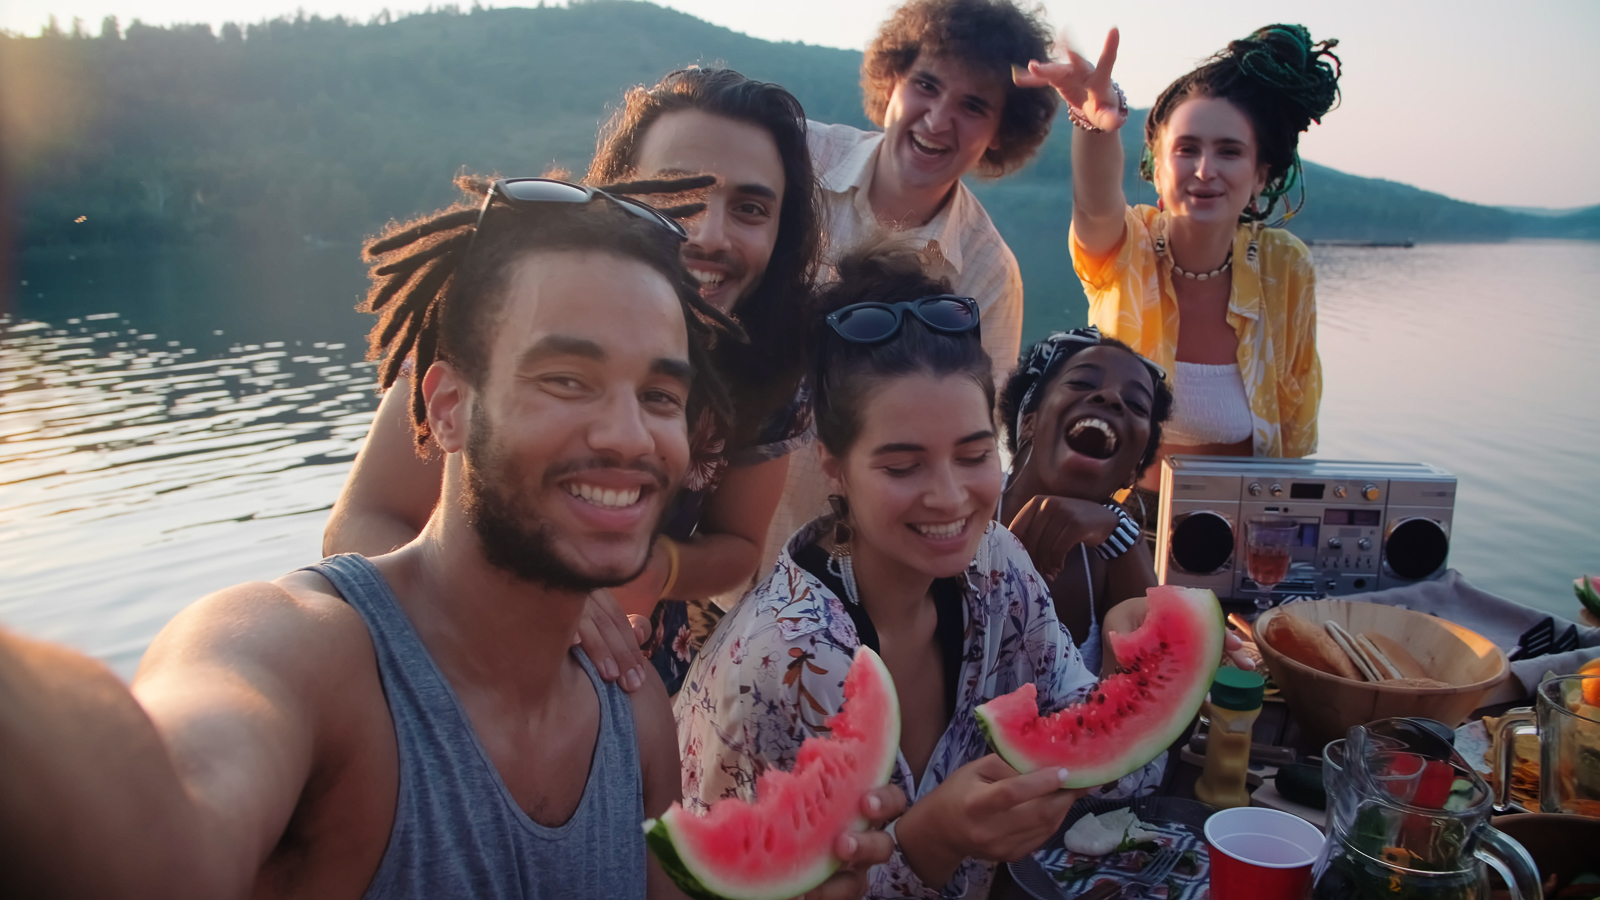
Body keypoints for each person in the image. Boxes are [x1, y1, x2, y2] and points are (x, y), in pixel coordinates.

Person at [0, 180, 901, 899]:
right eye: (566, 378)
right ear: (446, 404)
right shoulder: (301, 653)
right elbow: (170, 823)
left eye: (660, 395)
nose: (629, 435)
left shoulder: (634, 718)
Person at [675, 248, 1160, 900]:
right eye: (903, 466)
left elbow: (1124, 766)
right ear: (834, 467)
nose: (950, 498)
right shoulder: (783, 662)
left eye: (973, 454)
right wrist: (929, 841)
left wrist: (1149, 653)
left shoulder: (998, 569)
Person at [324, 68, 823, 695]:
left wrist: (654, 570)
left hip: (629, 673)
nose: (708, 235)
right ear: (617, 190)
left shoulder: (770, 362)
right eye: (678, 196)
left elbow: (738, 544)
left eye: (749, 209)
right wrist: (533, 602)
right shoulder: (504, 305)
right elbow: (360, 523)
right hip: (438, 660)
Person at [764, 0, 1059, 567]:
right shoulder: (799, 158)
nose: (938, 118)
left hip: (846, 572)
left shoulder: (988, 273)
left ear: (1001, 133)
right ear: (891, 81)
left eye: (973, 106)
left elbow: (971, 443)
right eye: (926, 84)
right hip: (708, 549)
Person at [1017, 24, 1341, 528]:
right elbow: (1096, 205)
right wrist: (1094, 122)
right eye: (1186, 149)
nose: (1205, 170)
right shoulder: (1129, 248)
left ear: (1260, 176)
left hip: (1247, 525)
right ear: (1157, 167)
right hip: (1113, 520)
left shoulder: (1285, 267)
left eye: (1230, 152)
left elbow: (1297, 430)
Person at [996, 327, 1173, 674]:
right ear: (1029, 422)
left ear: (1133, 469)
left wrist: (1117, 534)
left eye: (1136, 404)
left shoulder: (1115, 553)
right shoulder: (967, 510)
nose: (1110, 398)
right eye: (1082, 383)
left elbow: (1160, 679)